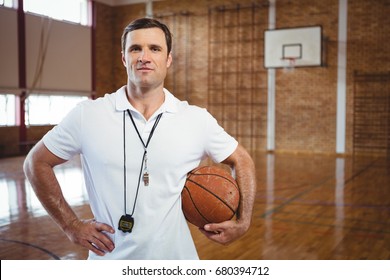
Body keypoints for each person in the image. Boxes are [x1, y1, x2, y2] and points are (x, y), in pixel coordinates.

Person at [23, 17, 256, 260]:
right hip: (109, 261)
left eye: (155, 49)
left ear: (168, 59)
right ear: (124, 58)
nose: (144, 56)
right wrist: (70, 225)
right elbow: (35, 163)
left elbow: (242, 159)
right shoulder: (88, 115)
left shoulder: (196, 119)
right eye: (136, 49)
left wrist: (244, 221)